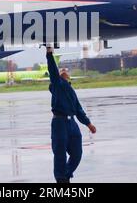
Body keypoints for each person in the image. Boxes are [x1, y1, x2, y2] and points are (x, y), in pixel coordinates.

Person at [46, 46, 96, 183]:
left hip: (72, 123)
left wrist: (88, 123)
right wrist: (49, 53)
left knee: (77, 153)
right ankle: (61, 179)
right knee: (60, 153)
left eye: (65, 70)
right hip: (59, 122)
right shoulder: (57, 84)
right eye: (62, 70)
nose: (64, 71)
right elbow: (52, 69)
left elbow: (78, 109)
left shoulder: (71, 90)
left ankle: (65, 174)